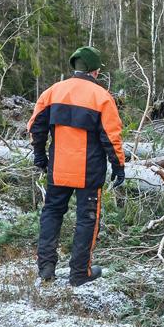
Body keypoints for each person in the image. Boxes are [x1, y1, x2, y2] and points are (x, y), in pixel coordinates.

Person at [27, 46, 125, 286]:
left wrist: (39, 156)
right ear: (95, 70)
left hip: (58, 167)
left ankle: (46, 269)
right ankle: (80, 273)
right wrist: (118, 166)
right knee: (87, 219)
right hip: (89, 172)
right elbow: (111, 137)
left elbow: (35, 128)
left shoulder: (52, 92)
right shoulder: (101, 96)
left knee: (51, 212)